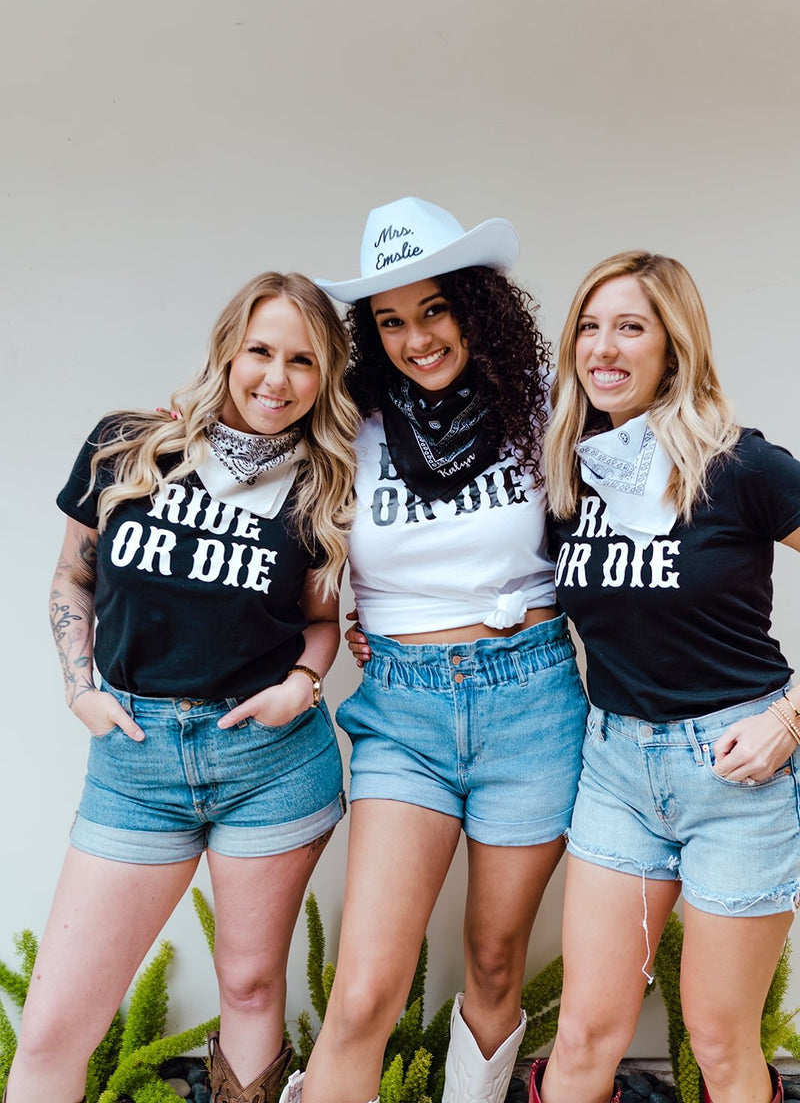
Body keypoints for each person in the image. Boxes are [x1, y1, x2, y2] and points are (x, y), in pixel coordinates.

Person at [6, 272, 359, 1103]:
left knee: (249, 989)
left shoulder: (322, 486)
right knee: (58, 1024)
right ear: (228, 351)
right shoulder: (130, 445)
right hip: (136, 765)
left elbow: (317, 621)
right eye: (260, 352)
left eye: (302, 362)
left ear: (325, 376)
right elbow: (71, 578)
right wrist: (77, 684)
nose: (276, 379)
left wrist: (305, 683)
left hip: (269, 762)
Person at [281, 198, 589, 1103]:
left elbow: (651, 465)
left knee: (495, 963)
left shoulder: (543, 404)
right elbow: (243, 434)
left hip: (532, 698)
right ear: (369, 334)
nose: (416, 338)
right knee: (367, 985)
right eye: (390, 320)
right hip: (405, 710)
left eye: (434, 309)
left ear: (473, 305)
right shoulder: (345, 421)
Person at [535, 252, 800, 1103]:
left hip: (736, 771)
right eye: (588, 325)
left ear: (673, 346)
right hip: (614, 768)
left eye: (630, 326)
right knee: (583, 1034)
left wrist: (790, 721)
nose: (602, 348)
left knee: (722, 1046)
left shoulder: (742, 466)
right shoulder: (575, 472)